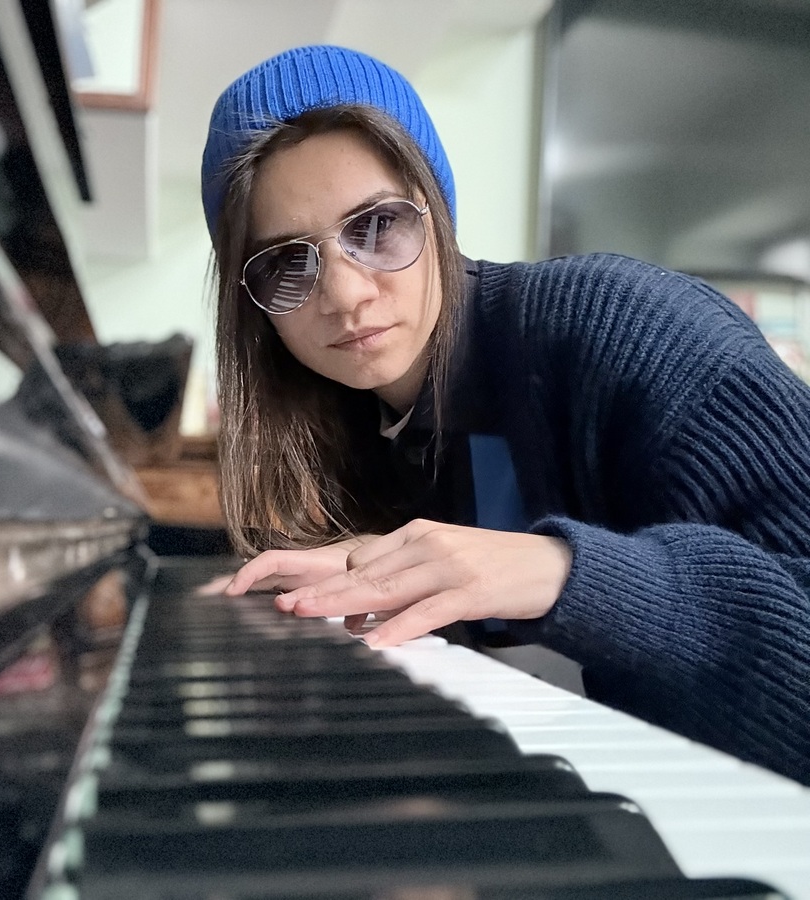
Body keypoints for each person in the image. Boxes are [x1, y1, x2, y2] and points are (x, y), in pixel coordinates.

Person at [198, 43, 810, 786]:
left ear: (436, 211)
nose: (346, 294)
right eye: (287, 264)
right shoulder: (343, 429)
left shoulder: (633, 329)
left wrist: (564, 573)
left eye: (378, 226)